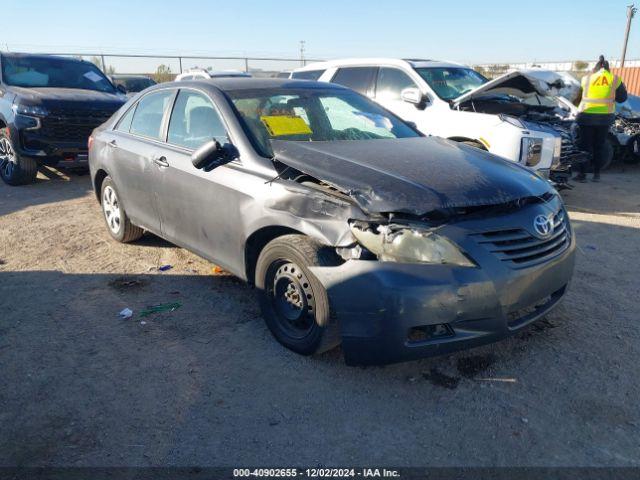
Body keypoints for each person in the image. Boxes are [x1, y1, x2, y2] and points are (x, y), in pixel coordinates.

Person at [573, 55, 627, 182]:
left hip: (586, 117)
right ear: (608, 69)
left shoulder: (586, 79)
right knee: (599, 146)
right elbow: (622, 98)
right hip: (604, 119)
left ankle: (582, 175)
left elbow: (576, 99)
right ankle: (596, 175)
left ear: (595, 68)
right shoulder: (614, 79)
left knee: (584, 146)